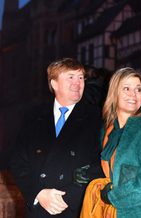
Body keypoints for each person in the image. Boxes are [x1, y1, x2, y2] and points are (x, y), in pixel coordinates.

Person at [10, 58, 104, 218]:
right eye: (70, 77)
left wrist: (68, 197)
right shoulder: (33, 116)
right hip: (38, 209)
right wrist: (37, 193)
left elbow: (101, 163)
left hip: (76, 209)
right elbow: (17, 162)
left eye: (81, 77)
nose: (78, 83)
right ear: (54, 84)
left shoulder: (97, 118)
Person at [81, 67, 141, 218]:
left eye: (138, 89)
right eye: (126, 88)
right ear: (114, 93)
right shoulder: (108, 131)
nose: (133, 94)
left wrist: (113, 196)